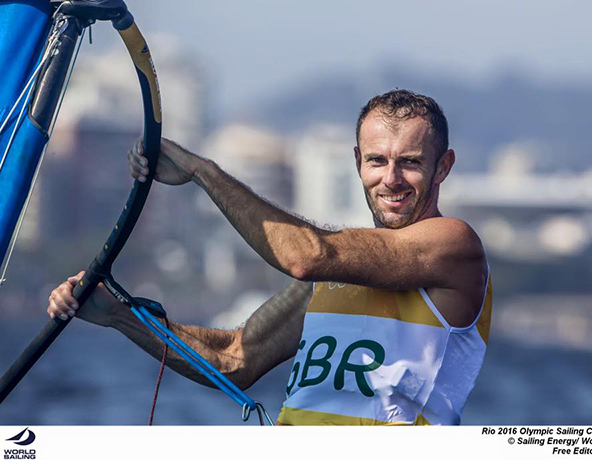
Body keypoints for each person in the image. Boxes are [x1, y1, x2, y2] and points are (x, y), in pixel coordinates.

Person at [48, 89, 492, 425]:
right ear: (358, 162)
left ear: (444, 167)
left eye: (410, 162)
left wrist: (202, 172)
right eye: (377, 160)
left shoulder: (454, 245)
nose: (391, 179)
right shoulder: (334, 275)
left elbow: (307, 255)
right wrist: (120, 316)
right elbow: (235, 358)